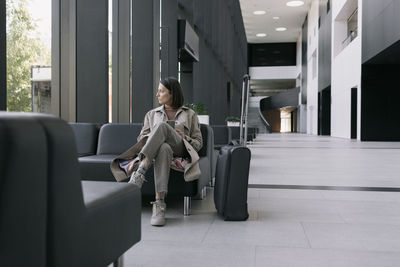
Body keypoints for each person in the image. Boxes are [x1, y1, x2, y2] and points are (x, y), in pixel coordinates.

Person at [110, 77, 203, 226]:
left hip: (180, 149)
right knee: (164, 148)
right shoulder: (151, 114)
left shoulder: (190, 114)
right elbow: (141, 138)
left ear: (171, 93)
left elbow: (198, 143)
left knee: (162, 127)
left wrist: (184, 137)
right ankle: (159, 204)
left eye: (161, 91)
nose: (157, 94)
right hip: (161, 151)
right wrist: (155, 137)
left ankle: (140, 171)